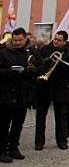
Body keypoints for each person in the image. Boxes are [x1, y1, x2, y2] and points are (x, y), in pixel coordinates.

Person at [0, 27, 46, 163]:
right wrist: (9, 71)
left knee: (18, 123)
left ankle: (14, 147)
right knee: (3, 125)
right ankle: (2, 150)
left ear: (25, 39)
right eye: (15, 40)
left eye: (20, 40)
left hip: (24, 93)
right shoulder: (4, 53)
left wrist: (30, 72)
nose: (17, 43)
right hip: (6, 93)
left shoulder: (32, 52)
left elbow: (42, 67)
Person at [35, 30, 69, 151]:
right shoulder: (45, 50)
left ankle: (62, 140)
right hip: (45, 86)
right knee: (41, 115)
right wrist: (46, 63)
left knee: (61, 116)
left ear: (65, 42)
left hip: (61, 87)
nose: (56, 42)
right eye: (55, 39)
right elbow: (39, 66)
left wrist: (61, 63)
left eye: (59, 40)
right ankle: (39, 141)